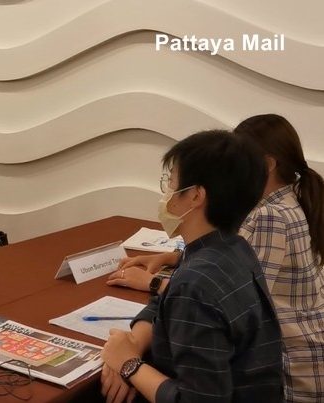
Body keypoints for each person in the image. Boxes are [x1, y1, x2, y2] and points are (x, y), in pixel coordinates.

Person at [109, 114, 324, 402]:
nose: (166, 194)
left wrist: (129, 364)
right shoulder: (235, 247)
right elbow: (169, 298)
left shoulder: (197, 282)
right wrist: (133, 342)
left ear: (196, 196)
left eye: (170, 183)